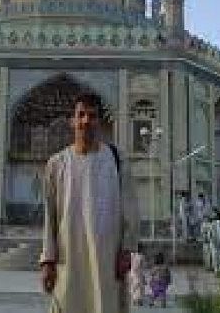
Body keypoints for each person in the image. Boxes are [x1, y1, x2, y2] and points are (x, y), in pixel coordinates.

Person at [40, 93, 139, 313]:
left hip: (107, 256)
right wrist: (47, 260)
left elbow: (130, 208)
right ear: (72, 121)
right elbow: (50, 216)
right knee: (68, 302)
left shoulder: (116, 159)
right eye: (81, 115)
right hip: (68, 257)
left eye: (92, 116)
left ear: (100, 121)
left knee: (105, 304)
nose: (86, 121)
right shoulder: (57, 164)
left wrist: (127, 250)